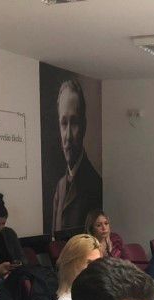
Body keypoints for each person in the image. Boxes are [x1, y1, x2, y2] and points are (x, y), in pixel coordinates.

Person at [51, 79, 102, 234]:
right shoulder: (60, 187)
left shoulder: (95, 186)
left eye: (74, 123)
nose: (67, 136)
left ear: (84, 126)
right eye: (63, 123)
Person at [55, 234, 102, 300]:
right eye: (89, 263)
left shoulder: (102, 292)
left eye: (98, 263)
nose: (96, 268)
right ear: (72, 264)